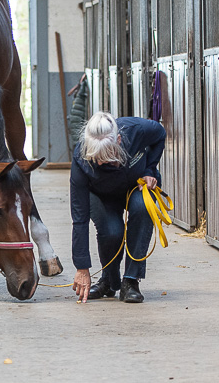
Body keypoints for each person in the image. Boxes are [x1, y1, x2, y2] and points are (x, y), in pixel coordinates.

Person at [70, 111, 166, 303]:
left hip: (136, 185)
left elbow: (160, 134)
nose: (104, 162)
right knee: (111, 231)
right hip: (102, 194)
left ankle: (131, 281)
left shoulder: (136, 130)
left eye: (109, 155)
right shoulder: (81, 159)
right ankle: (109, 280)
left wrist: (150, 169)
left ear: (119, 140)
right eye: (98, 158)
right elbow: (79, 218)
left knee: (142, 208)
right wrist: (82, 267)